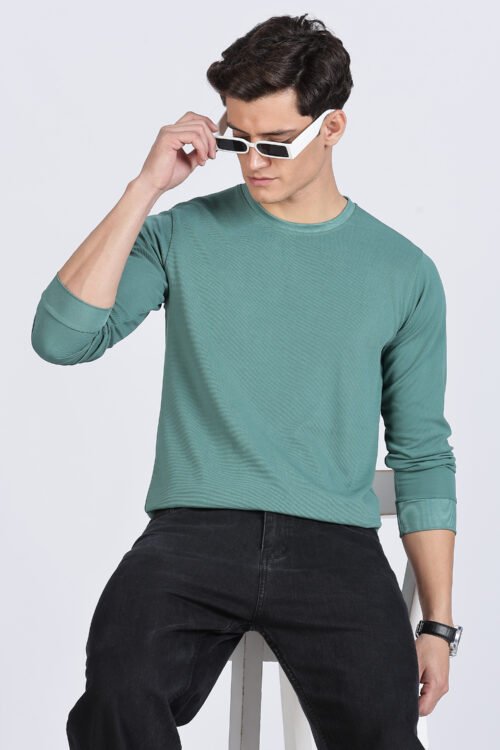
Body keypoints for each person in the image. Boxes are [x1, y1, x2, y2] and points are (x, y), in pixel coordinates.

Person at [31, 13, 461, 750]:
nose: (253, 163)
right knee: (117, 698)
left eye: (276, 142)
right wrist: (145, 188)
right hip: (193, 535)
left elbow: (423, 456)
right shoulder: (181, 234)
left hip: (335, 547)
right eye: (237, 140)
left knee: (385, 734)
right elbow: (60, 339)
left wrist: (438, 626)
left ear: (332, 127)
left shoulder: (403, 271)